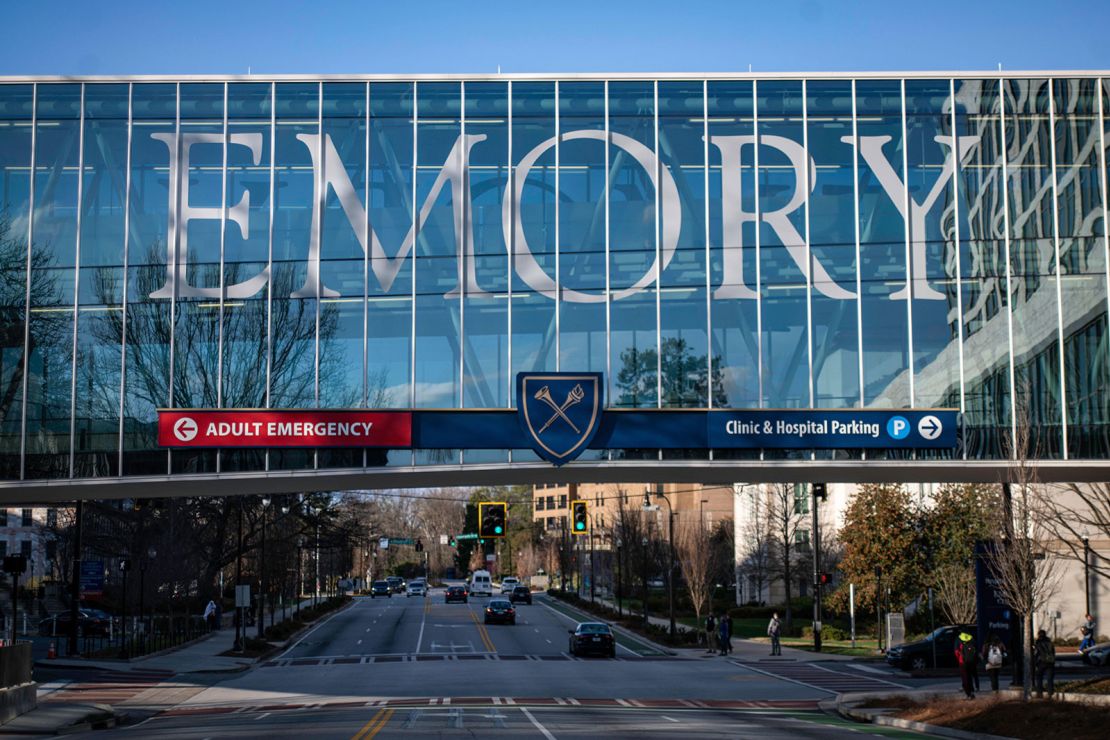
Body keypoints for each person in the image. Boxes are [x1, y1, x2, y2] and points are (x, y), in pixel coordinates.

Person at [954, 632, 976, 699]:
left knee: (965, 678)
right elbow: (975, 650)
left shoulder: (958, 639)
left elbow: (956, 652)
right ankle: (972, 692)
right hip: (971, 661)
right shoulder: (971, 638)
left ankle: (968, 694)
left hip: (963, 662)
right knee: (970, 677)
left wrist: (960, 659)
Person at [1034, 629, 1056, 697]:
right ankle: (1050, 692)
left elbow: (1036, 653)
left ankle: (1039, 692)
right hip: (1050, 662)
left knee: (1039, 677)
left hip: (1042, 662)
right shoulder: (1049, 641)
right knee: (1049, 678)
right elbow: (1053, 652)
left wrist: (1035, 662)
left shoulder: (1038, 642)